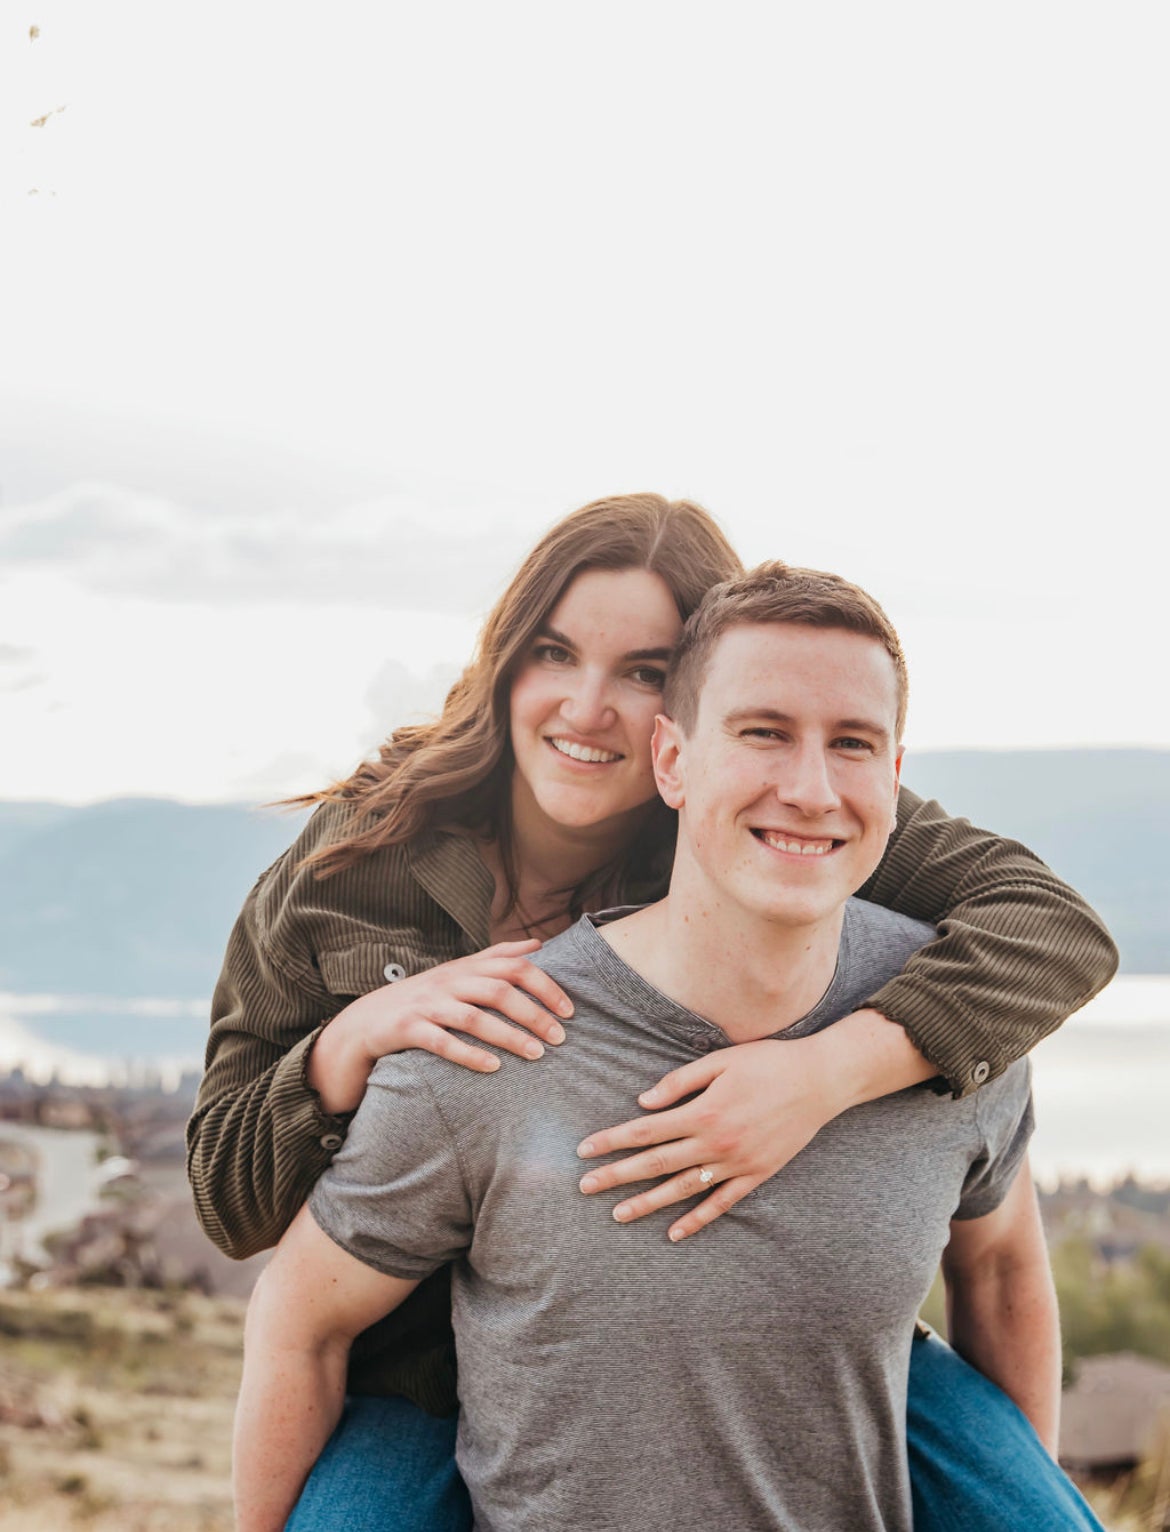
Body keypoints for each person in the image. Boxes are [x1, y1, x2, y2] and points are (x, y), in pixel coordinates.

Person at [189, 493, 1116, 1528]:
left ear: (682, 711)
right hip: (419, 1361)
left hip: (789, 1339)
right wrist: (355, 1038)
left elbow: (1054, 928)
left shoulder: (782, 805)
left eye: (641, 671)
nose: (590, 708)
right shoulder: (358, 858)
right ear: (505, 663)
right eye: (553, 652)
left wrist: (822, 1074)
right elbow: (232, 1200)